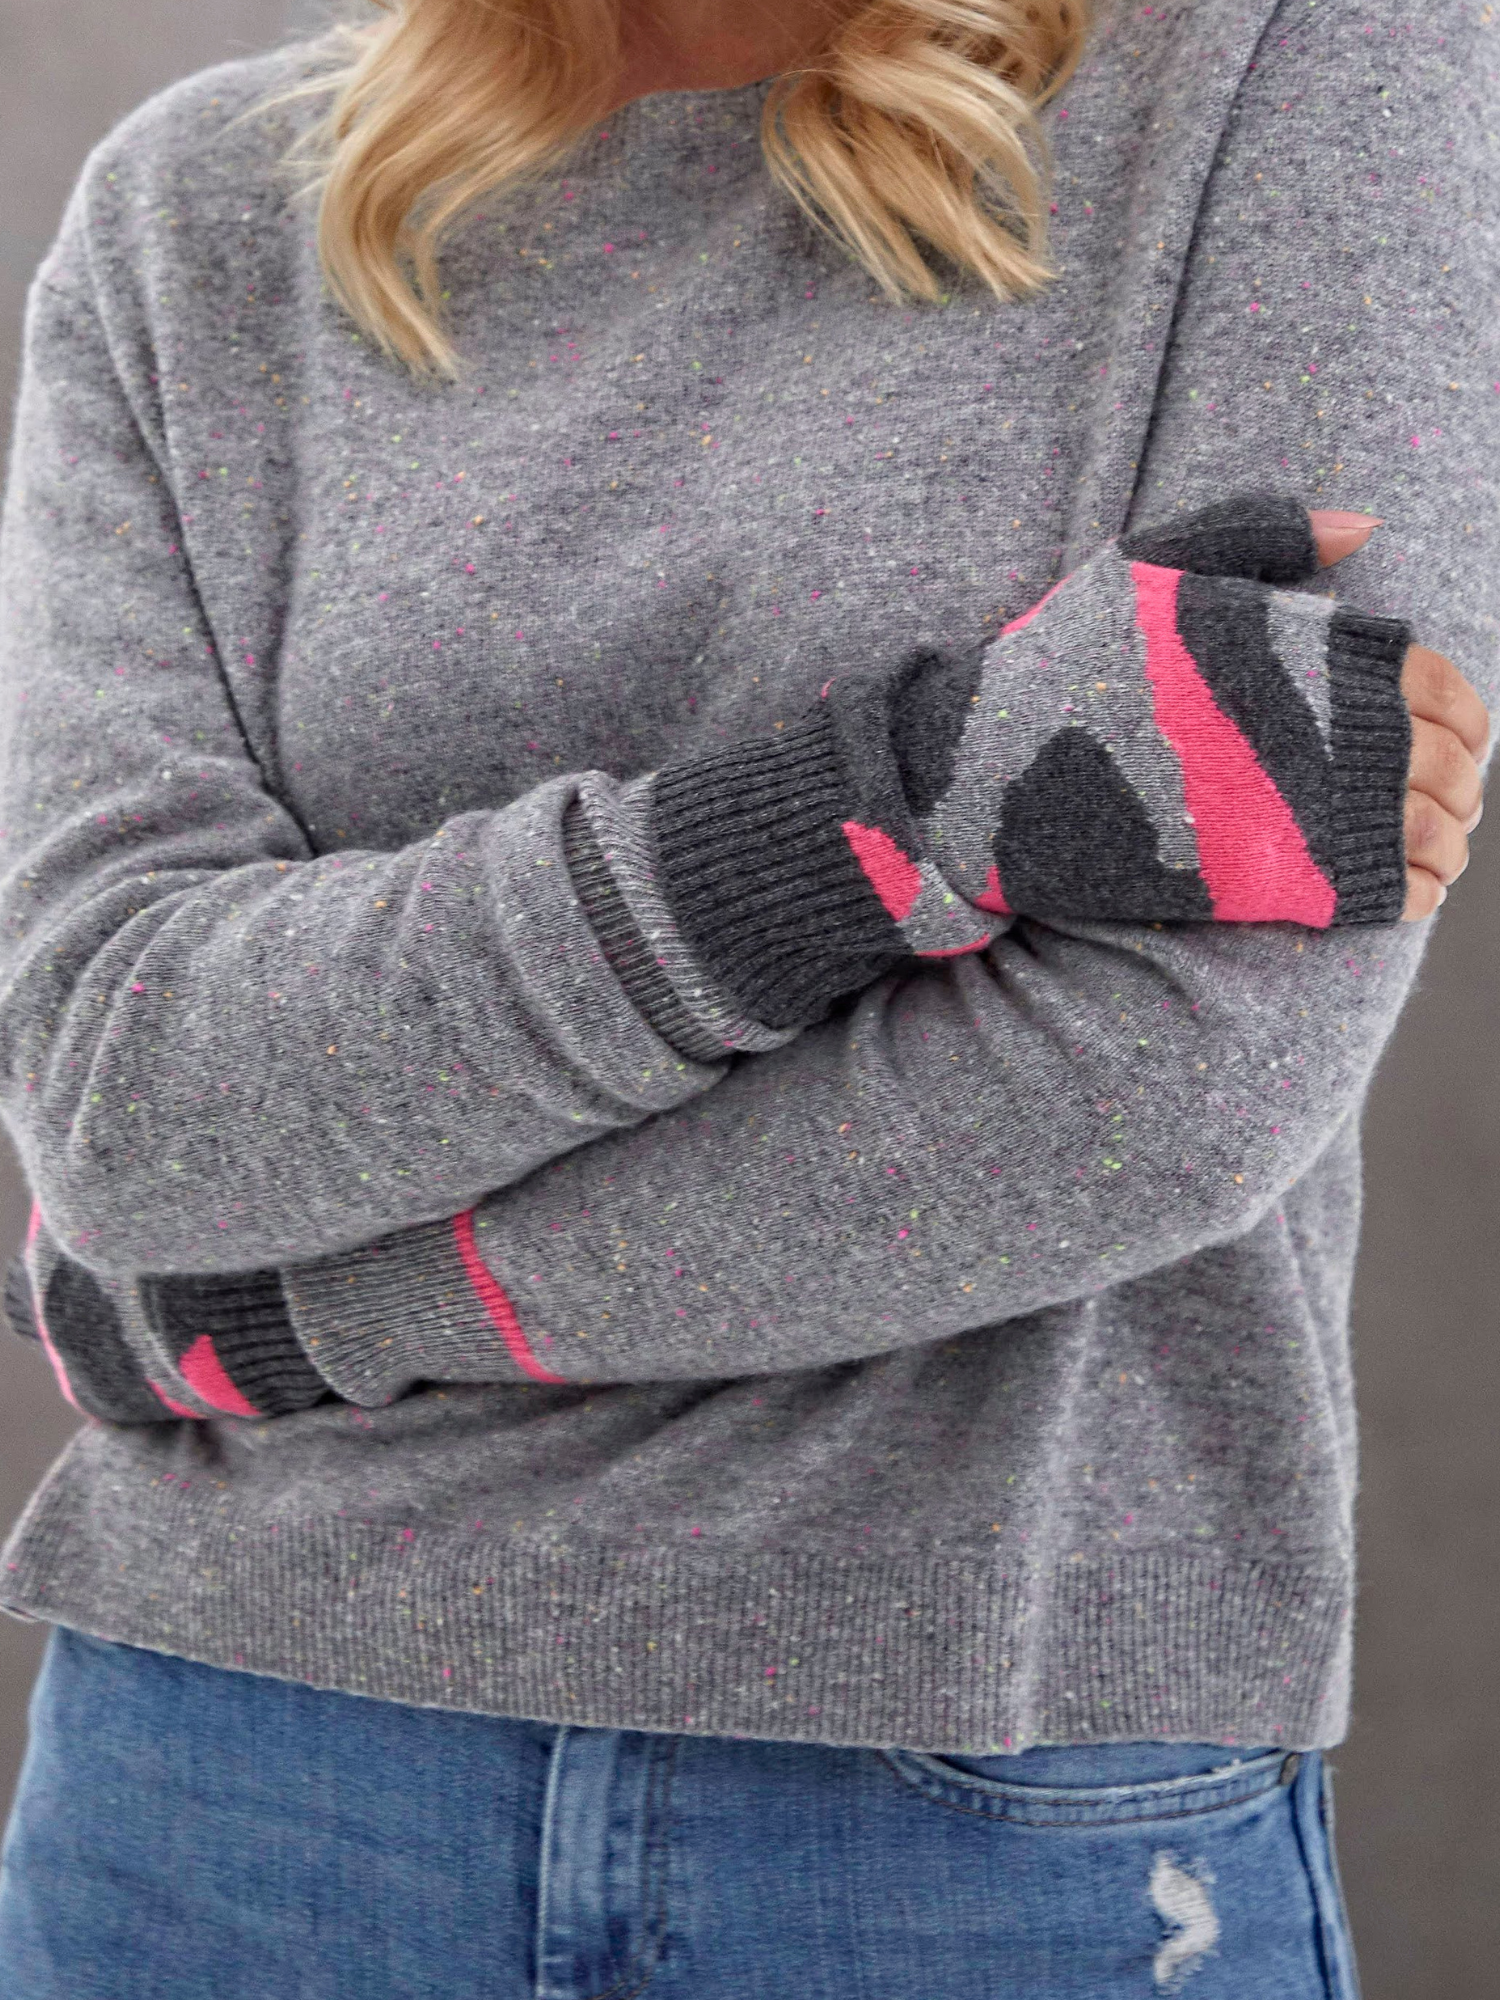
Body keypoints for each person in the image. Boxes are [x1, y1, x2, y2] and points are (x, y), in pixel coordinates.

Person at [0, 0, 1492, 1992]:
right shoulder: (196, 219)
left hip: (976, 1808)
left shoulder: (1304, 66)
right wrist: (918, 803)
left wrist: (290, 1315)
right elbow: (129, 1094)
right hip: (228, 1786)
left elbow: (1163, 1089)